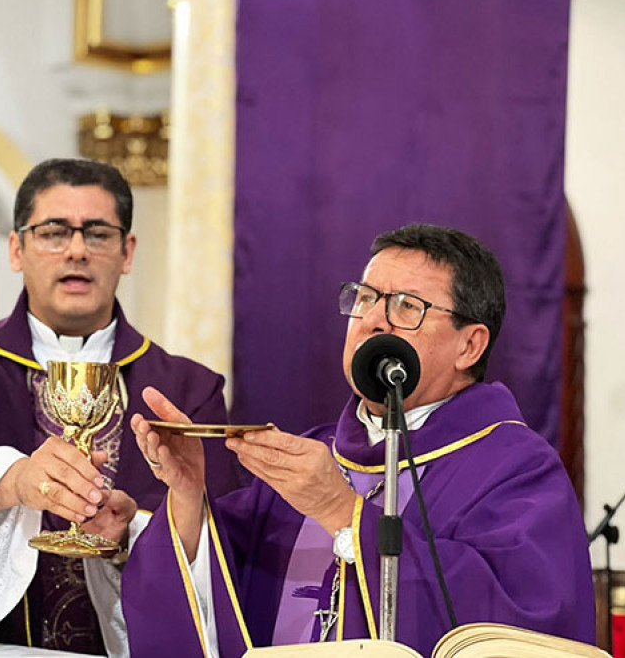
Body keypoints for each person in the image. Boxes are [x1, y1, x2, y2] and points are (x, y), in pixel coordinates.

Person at [126, 224, 595, 656]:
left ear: (469, 346)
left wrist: (342, 513)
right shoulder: (314, 456)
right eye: (366, 298)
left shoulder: (517, 468)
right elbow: (208, 590)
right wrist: (188, 496)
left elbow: (524, 630)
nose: (373, 320)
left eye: (407, 306)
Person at [0, 158, 239, 655]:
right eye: (55, 232)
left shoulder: (186, 393)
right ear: (17, 248)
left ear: (127, 252)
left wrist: (134, 536)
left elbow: (229, 542)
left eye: (99, 234)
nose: (78, 250)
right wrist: (16, 481)